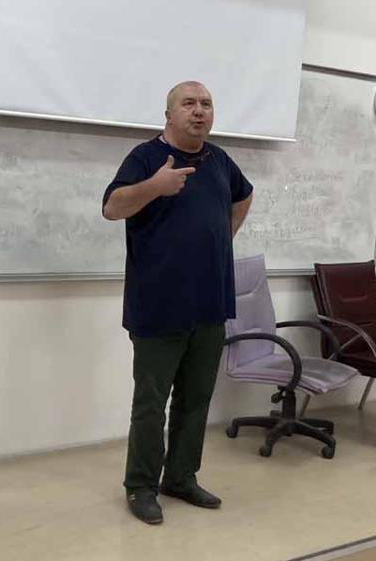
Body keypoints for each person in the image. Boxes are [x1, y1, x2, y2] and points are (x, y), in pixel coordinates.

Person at [102, 81, 253, 525]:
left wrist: (223, 237)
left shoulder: (219, 160)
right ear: (169, 114)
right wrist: (155, 186)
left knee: (196, 399)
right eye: (189, 103)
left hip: (210, 303)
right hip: (159, 305)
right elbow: (112, 207)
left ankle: (181, 477)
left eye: (206, 104)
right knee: (151, 404)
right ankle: (141, 486)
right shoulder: (146, 157)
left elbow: (244, 195)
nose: (199, 111)